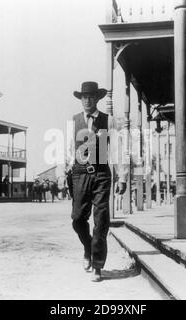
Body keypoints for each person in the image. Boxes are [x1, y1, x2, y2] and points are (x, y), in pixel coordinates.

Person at [67, 81, 128, 282]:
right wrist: (63, 172)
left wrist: (122, 176)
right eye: (84, 97)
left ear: (98, 98)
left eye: (92, 96)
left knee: (101, 220)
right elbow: (68, 151)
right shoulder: (73, 121)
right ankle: (88, 247)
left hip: (101, 173)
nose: (88, 100)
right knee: (77, 219)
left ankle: (97, 265)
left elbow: (118, 150)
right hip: (80, 173)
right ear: (80, 99)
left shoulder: (108, 121)